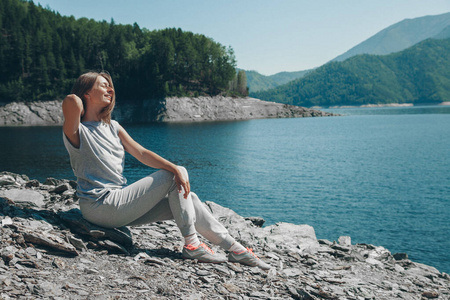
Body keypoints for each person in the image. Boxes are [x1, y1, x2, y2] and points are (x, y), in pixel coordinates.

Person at [62, 71, 270, 270]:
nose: (110, 90)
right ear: (87, 93)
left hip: (118, 205)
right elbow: (71, 101)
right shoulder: (77, 131)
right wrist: (175, 171)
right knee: (173, 175)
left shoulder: (113, 127)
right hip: (99, 205)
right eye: (103, 85)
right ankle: (192, 245)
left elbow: (142, 153)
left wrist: (174, 168)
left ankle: (235, 248)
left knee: (189, 199)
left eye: (111, 86)